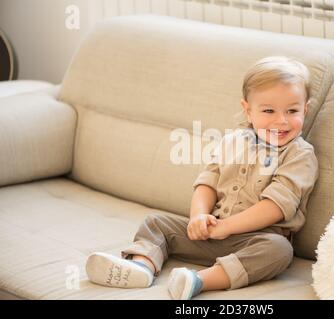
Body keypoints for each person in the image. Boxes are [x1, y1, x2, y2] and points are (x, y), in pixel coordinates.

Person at [85, 56, 319, 300]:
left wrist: (227, 227)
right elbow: (207, 182)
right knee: (156, 223)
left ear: (305, 109)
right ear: (248, 110)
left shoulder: (299, 155)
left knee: (280, 251)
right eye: (269, 110)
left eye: (292, 111)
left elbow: (276, 207)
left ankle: (198, 281)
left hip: (256, 240)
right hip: (211, 231)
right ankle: (142, 266)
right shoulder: (233, 142)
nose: (281, 120)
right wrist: (198, 217)